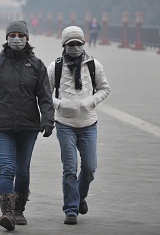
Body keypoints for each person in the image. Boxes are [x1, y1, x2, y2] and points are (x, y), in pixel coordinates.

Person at [0, 20, 55, 231]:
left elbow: (45, 96)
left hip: (28, 126)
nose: (17, 38)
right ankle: (7, 212)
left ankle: (19, 210)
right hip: (3, 126)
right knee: (7, 168)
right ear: (7, 38)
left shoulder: (37, 65)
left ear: (27, 38)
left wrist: (47, 120)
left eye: (20, 35)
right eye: (13, 35)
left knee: (23, 170)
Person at [47, 26, 110, 225]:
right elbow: (44, 94)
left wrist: (90, 101)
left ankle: (80, 196)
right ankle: (71, 210)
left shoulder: (93, 65)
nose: (75, 48)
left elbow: (104, 88)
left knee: (90, 168)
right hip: (65, 124)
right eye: (70, 44)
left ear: (84, 44)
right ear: (64, 45)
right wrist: (59, 104)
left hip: (89, 123)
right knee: (69, 168)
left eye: (78, 44)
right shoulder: (55, 67)